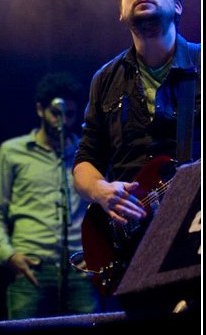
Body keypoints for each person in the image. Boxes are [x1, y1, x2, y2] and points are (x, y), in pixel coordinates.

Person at [72, 0, 201, 310]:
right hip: (131, 253)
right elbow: (85, 159)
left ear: (179, 6)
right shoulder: (105, 80)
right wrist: (102, 191)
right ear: (121, 12)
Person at [0, 72, 100, 320]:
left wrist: (97, 255)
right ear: (40, 109)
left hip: (80, 269)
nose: (63, 121)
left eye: (69, 114)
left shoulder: (86, 154)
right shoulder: (12, 151)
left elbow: (100, 209)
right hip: (32, 269)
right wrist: (9, 255)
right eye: (56, 114)